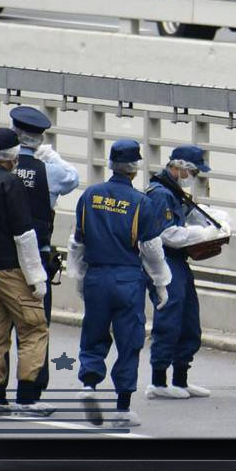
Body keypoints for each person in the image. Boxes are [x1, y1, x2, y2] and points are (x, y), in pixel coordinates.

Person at [65, 139, 171, 427]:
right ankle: (122, 407)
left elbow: (77, 242)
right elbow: (151, 249)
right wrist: (161, 284)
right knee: (129, 341)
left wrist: (78, 276)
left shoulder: (90, 196)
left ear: (111, 164)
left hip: (96, 276)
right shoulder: (141, 203)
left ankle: (88, 385)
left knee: (94, 333)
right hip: (127, 278)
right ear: (135, 168)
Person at [143, 145, 222, 400]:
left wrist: (216, 224)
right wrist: (203, 234)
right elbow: (167, 235)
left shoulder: (174, 192)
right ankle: (158, 380)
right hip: (163, 261)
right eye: (192, 171)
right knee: (169, 319)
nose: (193, 177)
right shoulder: (160, 194)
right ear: (178, 167)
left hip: (178, 261)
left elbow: (193, 217)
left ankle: (180, 378)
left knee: (189, 319)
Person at [0, 128, 53, 418]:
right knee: (34, 327)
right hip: (10, 267)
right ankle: (27, 398)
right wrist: (37, 277)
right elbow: (24, 235)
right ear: (12, 157)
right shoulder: (9, 183)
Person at [10, 105, 80, 325]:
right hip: (37, 256)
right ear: (39, 140)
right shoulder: (50, 171)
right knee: (36, 330)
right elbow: (73, 177)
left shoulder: (0, 167)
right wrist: (51, 156)